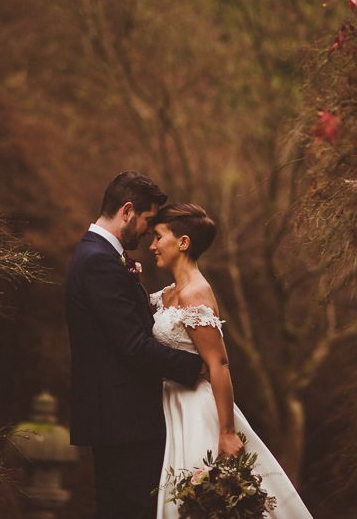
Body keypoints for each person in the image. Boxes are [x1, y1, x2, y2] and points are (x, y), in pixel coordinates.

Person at [149, 203, 313, 518]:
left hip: (195, 409)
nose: (152, 245)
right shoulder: (168, 293)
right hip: (170, 406)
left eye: (158, 237)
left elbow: (219, 364)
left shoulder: (195, 293)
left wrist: (226, 432)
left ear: (183, 243)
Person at [65, 172, 204, 519]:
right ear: (127, 211)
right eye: (147, 220)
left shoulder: (99, 256)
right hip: (123, 419)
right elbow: (134, 346)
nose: (147, 231)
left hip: (119, 418)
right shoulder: (99, 261)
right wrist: (195, 367)